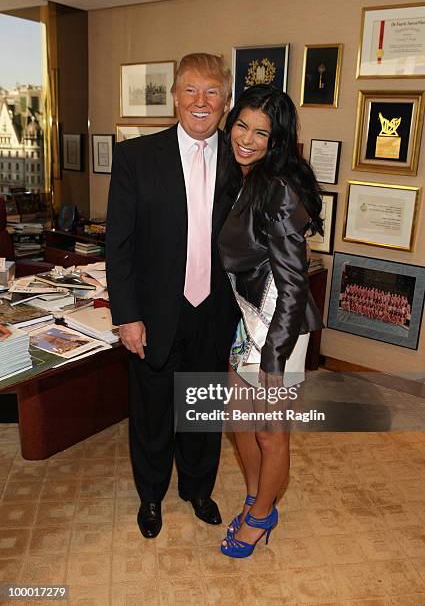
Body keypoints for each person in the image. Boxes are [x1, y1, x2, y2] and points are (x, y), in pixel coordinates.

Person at [106, 53, 240, 539]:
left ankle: (199, 489)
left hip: (216, 311)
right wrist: (127, 316)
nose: (200, 102)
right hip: (155, 311)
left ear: (226, 101)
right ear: (174, 97)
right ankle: (151, 496)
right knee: (153, 410)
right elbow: (117, 246)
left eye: (212, 92)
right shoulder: (136, 157)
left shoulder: (242, 159)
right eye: (190, 90)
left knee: (203, 406)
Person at [218, 84, 323, 558]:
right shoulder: (246, 176)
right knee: (239, 418)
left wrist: (275, 358)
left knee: (269, 429)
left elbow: (294, 281)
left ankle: (260, 517)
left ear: (277, 140)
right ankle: (258, 498)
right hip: (249, 316)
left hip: (278, 325)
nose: (247, 137)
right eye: (242, 124)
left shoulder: (277, 188)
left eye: (262, 132)